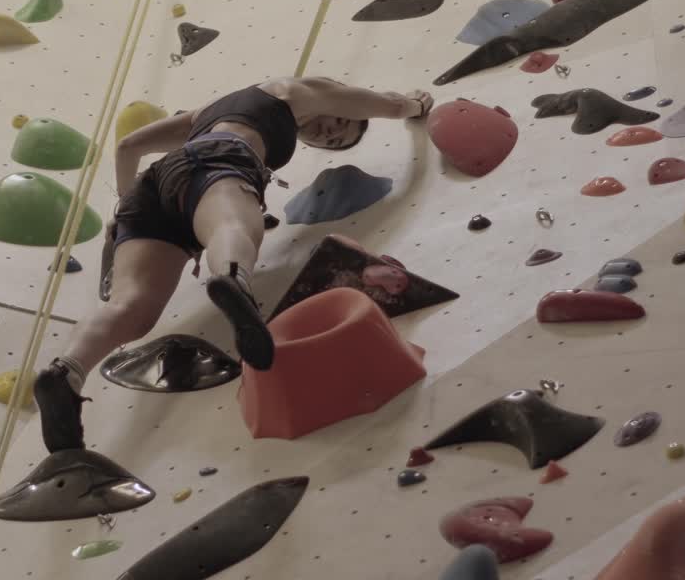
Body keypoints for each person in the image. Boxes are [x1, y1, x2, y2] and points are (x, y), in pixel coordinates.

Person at [34, 76, 435, 453]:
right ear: (336, 97)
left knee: (132, 308)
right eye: (342, 124)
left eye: (336, 142)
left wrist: (124, 208)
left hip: (153, 189)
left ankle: (66, 372)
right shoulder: (295, 91)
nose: (332, 134)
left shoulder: (201, 114)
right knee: (233, 221)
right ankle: (232, 279)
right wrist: (416, 105)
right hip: (217, 162)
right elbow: (389, 104)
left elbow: (128, 148)